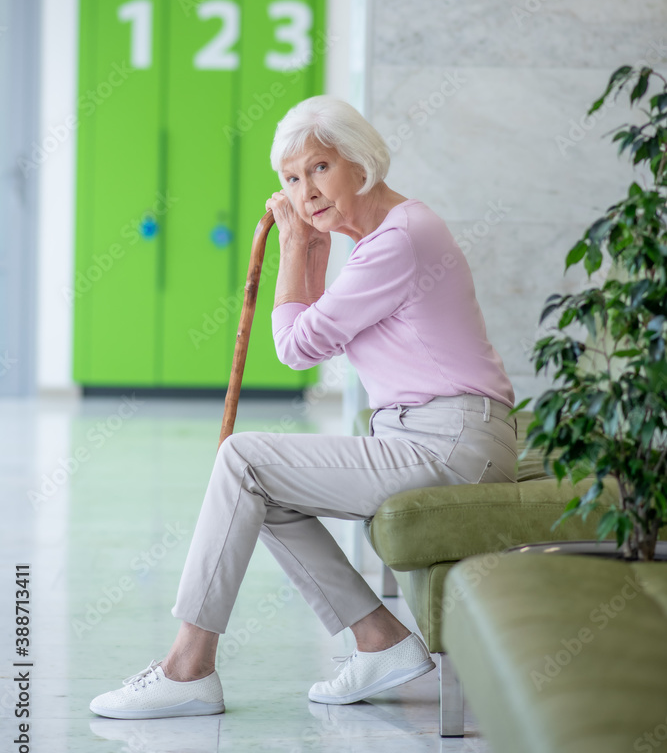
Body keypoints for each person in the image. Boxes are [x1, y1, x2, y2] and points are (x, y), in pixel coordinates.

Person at [89, 95, 516, 720]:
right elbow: (314, 334)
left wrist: (295, 246)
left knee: (243, 460)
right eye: (291, 179)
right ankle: (379, 642)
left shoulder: (398, 239)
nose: (305, 190)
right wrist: (312, 249)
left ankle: (187, 669)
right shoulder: (384, 238)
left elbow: (295, 347)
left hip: (450, 445)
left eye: (319, 168)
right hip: (432, 438)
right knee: (266, 486)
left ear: (359, 161)